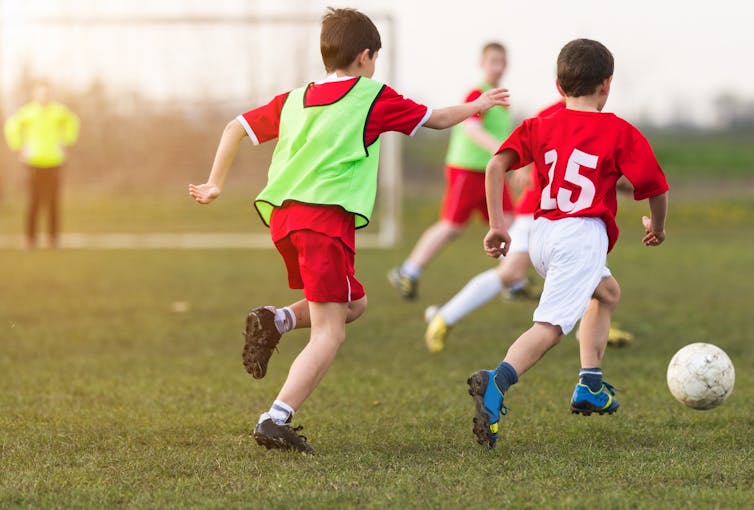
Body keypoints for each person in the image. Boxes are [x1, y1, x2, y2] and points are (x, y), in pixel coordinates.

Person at [188, 7, 510, 454]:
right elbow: (435, 119)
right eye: (375, 58)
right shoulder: (370, 96)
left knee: (353, 303)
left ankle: (275, 320)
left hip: (284, 218)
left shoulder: (296, 97)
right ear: (365, 56)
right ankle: (274, 418)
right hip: (324, 221)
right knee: (330, 332)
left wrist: (215, 183)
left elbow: (234, 127)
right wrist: (478, 105)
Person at [467, 38, 668, 449]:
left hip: (543, 233)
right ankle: (496, 382)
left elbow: (495, 165)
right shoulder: (618, 130)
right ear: (607, 85)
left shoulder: (540, 125)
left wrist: (497, 225)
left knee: (607, 292)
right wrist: (657, 226)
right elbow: (656, 187)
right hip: (580, 237)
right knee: (550, 328)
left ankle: (589, 385)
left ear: (558, 87)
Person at [424, 101, 637, 352]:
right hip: (539, 212)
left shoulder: (598, 119)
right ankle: (444, 317)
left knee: (597, 277)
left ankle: (597, 328)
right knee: (512, 272)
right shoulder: (554, 113)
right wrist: (525, 168)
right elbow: (525, 142)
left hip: (574, 219)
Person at [388, 42, 515, 300]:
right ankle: (408, 271)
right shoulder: (477, 94)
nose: (498, 67)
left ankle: (513, 280)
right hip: (467, 171)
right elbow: (472, 129)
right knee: (452, 226)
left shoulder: (502, 100)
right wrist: (503, 150)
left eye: (502, 61)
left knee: (512, 222)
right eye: (493, 61)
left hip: (492, 173)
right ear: (482, 64)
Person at [4, 81, 80, 249]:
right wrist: (18, 147)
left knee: (53, 202)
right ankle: (29, 239)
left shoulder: (59, 111)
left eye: (47, 93)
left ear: (51, 95)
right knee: (33, 202)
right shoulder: (27, 112)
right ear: (35, 95)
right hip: (33, 162)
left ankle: (53, 239)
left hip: (54, 162)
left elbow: (73, 122)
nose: (44, 96)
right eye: (41, 93)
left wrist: (67, 142)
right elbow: (11, 126)